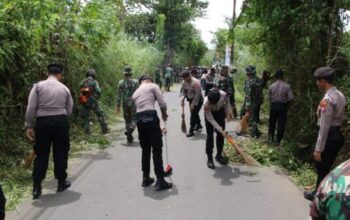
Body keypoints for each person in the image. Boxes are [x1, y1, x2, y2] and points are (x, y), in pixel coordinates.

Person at [25, 63, 73, 199]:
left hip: (43, 123)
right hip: (60, 122)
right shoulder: (64, 88)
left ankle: (36, 187)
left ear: (48, 73)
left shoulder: (38, 86)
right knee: (61, 152)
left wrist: (29, 125)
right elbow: (69, 110)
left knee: (41, 154)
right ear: (60, 75)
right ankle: (61, 183)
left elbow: (31, 107)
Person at [304, 66, 346, 201]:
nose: (317, 83)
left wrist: (318, 149)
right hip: (337, 136)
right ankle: (319, 192)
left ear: (323, 81)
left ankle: (319, 198)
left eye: (318, 81)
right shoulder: (340, 95)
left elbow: (324, 127)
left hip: (329, 136)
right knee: (326, 167)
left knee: (322, 167)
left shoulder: (327, 99)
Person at [132, 75, 172, 191]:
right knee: (156, 149)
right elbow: (162, 103)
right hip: (151, 117)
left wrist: (159, 127)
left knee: (145, 150)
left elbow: (143, 112)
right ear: (150, 80)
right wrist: (164, 115)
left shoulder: (135, 93)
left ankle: (145, 178)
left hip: (139, 120)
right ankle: (160, 180)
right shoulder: (153, 85)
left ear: (141, 82)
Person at [204, 88, 233, 169]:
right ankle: (210, 158)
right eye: (211, 102)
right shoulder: (206, 103)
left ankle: (219, 155)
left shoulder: (223, 95)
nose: (211, 103)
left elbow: (227, 102)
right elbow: (210, 119)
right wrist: (220, 129)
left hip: (219, 112)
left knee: (221, 135)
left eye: (213, 102)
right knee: (210, 136)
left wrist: (228, 113)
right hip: (210, 115)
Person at [268, 69, 294, 146]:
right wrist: (288, 105)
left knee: (272, 122)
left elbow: (269, 98)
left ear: (275, 77)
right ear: (282, 76)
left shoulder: (271, 86)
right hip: (283, 106)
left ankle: (271, 137)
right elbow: (291, 98)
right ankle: (277, 140)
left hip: (274, 105)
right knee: (281, 124)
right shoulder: (287, 86)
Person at [80, 69, 109, 134]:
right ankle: (105, 129)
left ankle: (87, 131)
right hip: (93, 101)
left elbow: (81, 89)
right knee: (100, 114)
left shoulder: (82, 81)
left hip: (85, 101)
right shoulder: (95, 82)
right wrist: (96, 98)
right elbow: (98, 91)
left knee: (86, 117)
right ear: (93, 74)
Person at [116, 66, 139, 143]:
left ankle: (128, 133)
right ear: (131, 74)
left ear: (124, 74)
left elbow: (119, 95)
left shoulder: (121, 82)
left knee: (127, 118)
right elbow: (139, 93)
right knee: (134, 117)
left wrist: (118, 105)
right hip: (133, 102)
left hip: (125, 102)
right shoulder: (135, 82)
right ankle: (131, 129)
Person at [180, 70, 204, 137]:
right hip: (190, 99)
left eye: (185, 78)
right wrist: (182, 99)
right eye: (183, 78)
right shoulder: (184, 82)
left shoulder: (196, 82)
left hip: (198, 100)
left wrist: (193, 104)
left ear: (189, 76)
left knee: (193, 114)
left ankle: (191, 131)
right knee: (194, 113)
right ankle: (199, 125)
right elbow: (184, 91)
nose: (184, 79)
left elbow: (198, 94)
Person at [241, 65, 262, 138]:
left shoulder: (253, 81)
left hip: (251, 102)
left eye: (248, 73)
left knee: (251, 118)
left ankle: (254, 133)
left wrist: (247, 104)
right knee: (247, 116)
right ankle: (255, 131)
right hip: (249, 101)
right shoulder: (249, 80)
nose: (247, 74)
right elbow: (246, 92)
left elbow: (250, 93)